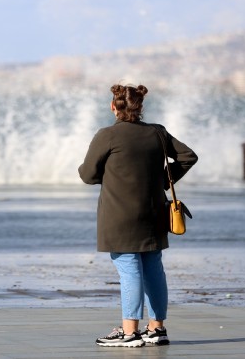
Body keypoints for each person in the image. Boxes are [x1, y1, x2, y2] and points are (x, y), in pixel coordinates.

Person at [78, 84, 198, 347]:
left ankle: (129, 332)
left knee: (129, 269)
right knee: (154, 268)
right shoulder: (157, 132)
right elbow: (188, 157)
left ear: (114, 107)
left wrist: (111, 177)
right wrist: (165, 181)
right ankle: (157, 329)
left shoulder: (106, 135)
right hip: (154, 210)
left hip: (120, 214)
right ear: (140, 108)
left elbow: (87, 175)